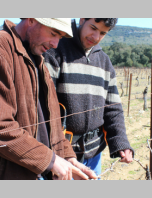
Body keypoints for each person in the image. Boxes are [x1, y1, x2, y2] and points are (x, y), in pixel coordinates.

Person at [0, 18, 97, 180]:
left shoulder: (38, 60)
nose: (55, 43)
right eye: (53, 33)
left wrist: (68, 158)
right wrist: (51, 160)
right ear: (31, 20)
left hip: (38, 172)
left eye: (60, 37)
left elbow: (53, 124)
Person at [43, 18, 134, 177]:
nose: (96, 36)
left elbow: (113, 108)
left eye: (103, 33)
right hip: (60, 155)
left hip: (93, 154)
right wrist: (61, 152)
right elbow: (44, 107)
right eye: (93, 27)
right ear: (82, 19)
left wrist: (120, 142)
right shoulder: (56, 51)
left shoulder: (104, 62)